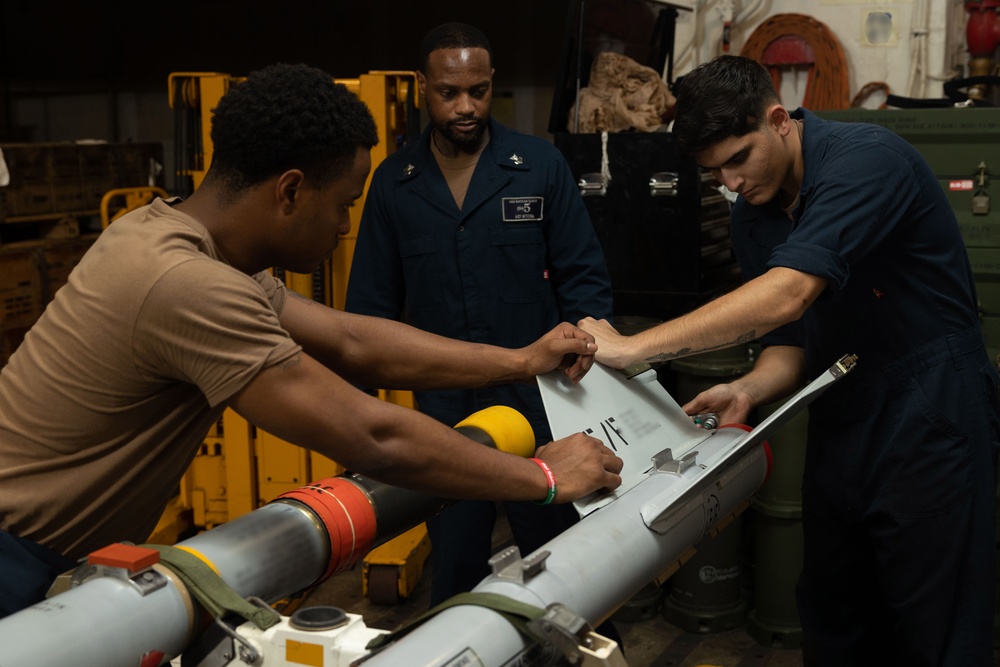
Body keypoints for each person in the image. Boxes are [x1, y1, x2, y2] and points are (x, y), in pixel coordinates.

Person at [0, 62, 624, 619]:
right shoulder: (188, 284)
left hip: (47, 547)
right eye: (343, 204)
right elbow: (370, 435)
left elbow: (353, 341)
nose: (346, 224)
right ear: (291, 190)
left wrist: (519, 359)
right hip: (12, 552)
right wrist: (542, 476)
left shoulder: (178, 240)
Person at [579, 55, 1000, 666]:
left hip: (932, 413)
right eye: (713, 171)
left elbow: (788, 293)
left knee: (936, 625)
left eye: (737, 159)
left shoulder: (867, 161)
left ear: (778, 119)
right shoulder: (755, 215)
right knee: (834, 613)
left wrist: (635, 346)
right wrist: (749, 389)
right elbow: (796, 337)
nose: (729, 183)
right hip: (845, 414)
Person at [344, 22, 615, 607]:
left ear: (492, 84)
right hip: (445, 415)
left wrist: (593, 367)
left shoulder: (539, 168)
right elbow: (367, 312)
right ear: (423, 87)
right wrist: (355, 419)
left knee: (562, 558)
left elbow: (585, 282)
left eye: (478, 91)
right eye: (448, 92)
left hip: (541, 401)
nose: (466, 107)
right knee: (458, 561)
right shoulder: (394, 184)